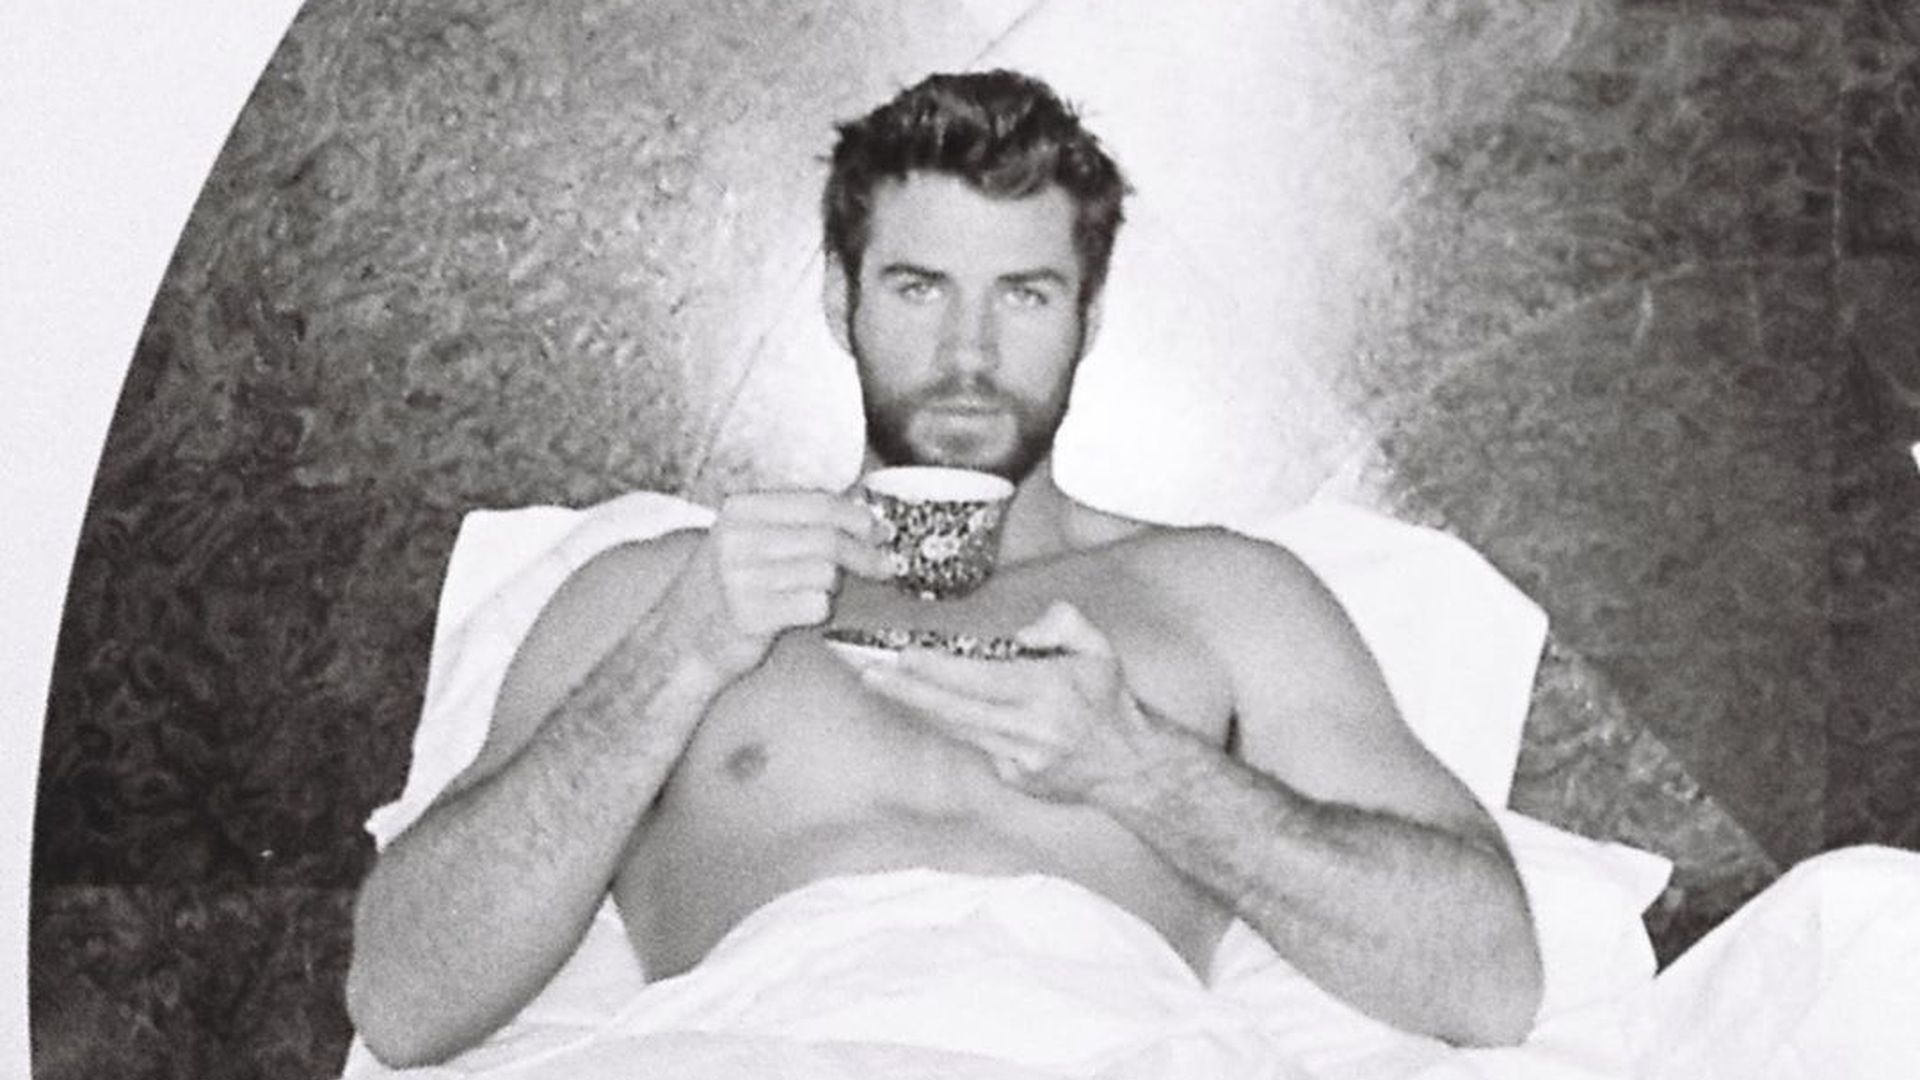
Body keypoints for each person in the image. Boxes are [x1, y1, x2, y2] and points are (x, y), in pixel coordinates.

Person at [344, 69, 1543, 1069]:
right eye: (919, 288)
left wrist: (1143, 769)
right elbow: (401, 1003)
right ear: (841, 301)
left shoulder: (1227, 599)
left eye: (1024, 294)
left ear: (1089, 318)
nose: (969, 353)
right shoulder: (657, 592)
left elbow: (1488, 978)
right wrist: (679, 655)